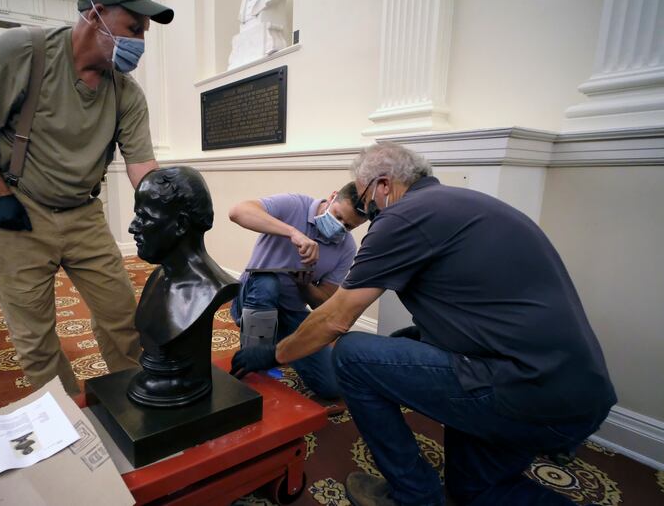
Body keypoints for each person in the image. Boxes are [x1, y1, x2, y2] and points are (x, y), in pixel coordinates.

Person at [257, 142, 616, 505]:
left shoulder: (401, 217)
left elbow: (335, 318)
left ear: (383, 185)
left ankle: (413, 495)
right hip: (577, 393)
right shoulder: (467, 203)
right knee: (475, 490)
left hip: (519, 384)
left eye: (365, 196)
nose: (367, 210)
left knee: (352, 356)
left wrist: (275, 354)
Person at [0, 0, 174, 395]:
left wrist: (172, 210)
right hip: (18, 209)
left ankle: (135, 400)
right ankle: (69, 419)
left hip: (84, 213)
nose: (140, 43)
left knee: (122, 317)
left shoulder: (127, 94)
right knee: (35, 338)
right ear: (96, 12)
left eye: (143, 34)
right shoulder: (22, 51)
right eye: (134, 28)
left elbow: (142, 168)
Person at [228, 182, 367, 400]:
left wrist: (305, 286)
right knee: (268, 282)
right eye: (338, 217)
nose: (341, 227)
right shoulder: (295, 205)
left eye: (348, 226)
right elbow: (238, 212)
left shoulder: (347, 248)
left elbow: (324, 303)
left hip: (291, 311)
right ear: (332, 197)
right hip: (252, 296)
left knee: (332, 387)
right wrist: (293, 233)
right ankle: (253, 361)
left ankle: (275, 343)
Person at [127, 166, 239, 407]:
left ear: (180, 224)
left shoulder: (211, 289)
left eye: (144, 216)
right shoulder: (158, 277)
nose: (132, 227)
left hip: (186, 389)